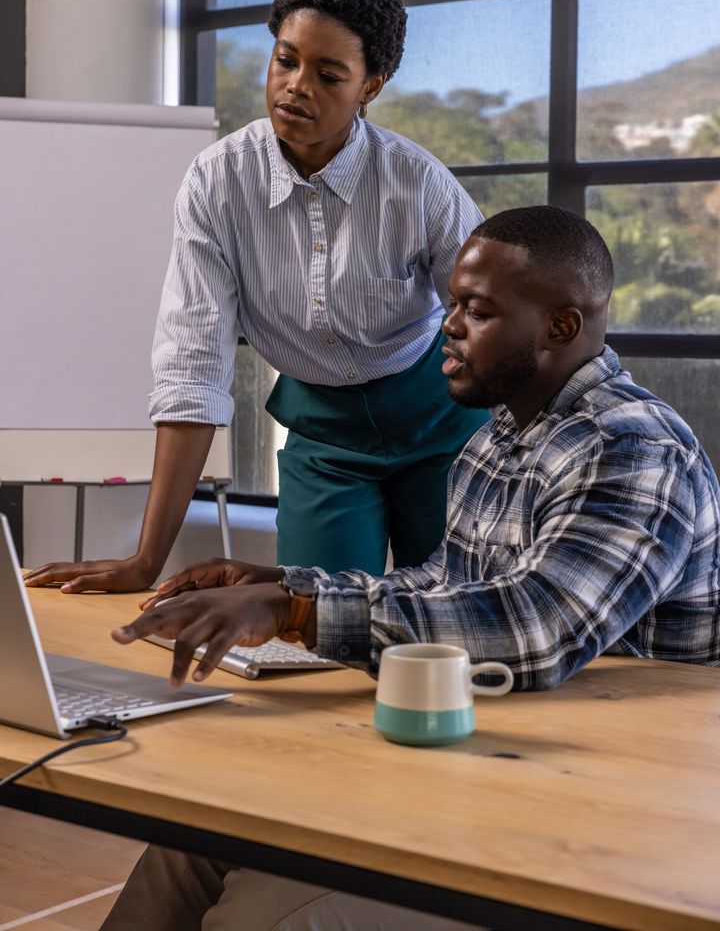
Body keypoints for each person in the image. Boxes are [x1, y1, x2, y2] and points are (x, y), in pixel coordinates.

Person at [99, 205, 720, 930]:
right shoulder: (501, 438)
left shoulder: (633, 449)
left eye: (477, 310)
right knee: (187, 845)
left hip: (596, 825)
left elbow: (533, 628)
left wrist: (295, 613)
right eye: (453, 303)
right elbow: (443, 584)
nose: (448, 326)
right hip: (487, 769)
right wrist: (280, 585)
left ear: (559, 328)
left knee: (256, 919)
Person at [25, 0, 487, 594]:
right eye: (286, 59)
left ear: (371, 86)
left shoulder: (420, 185)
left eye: (329, 75)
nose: (297, 86)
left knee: (461, 610)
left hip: (442, 428)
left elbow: (490, 327)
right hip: (326, 440)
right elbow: (194, 369)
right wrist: (144, 560)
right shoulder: (216, 183)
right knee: (311, 626)